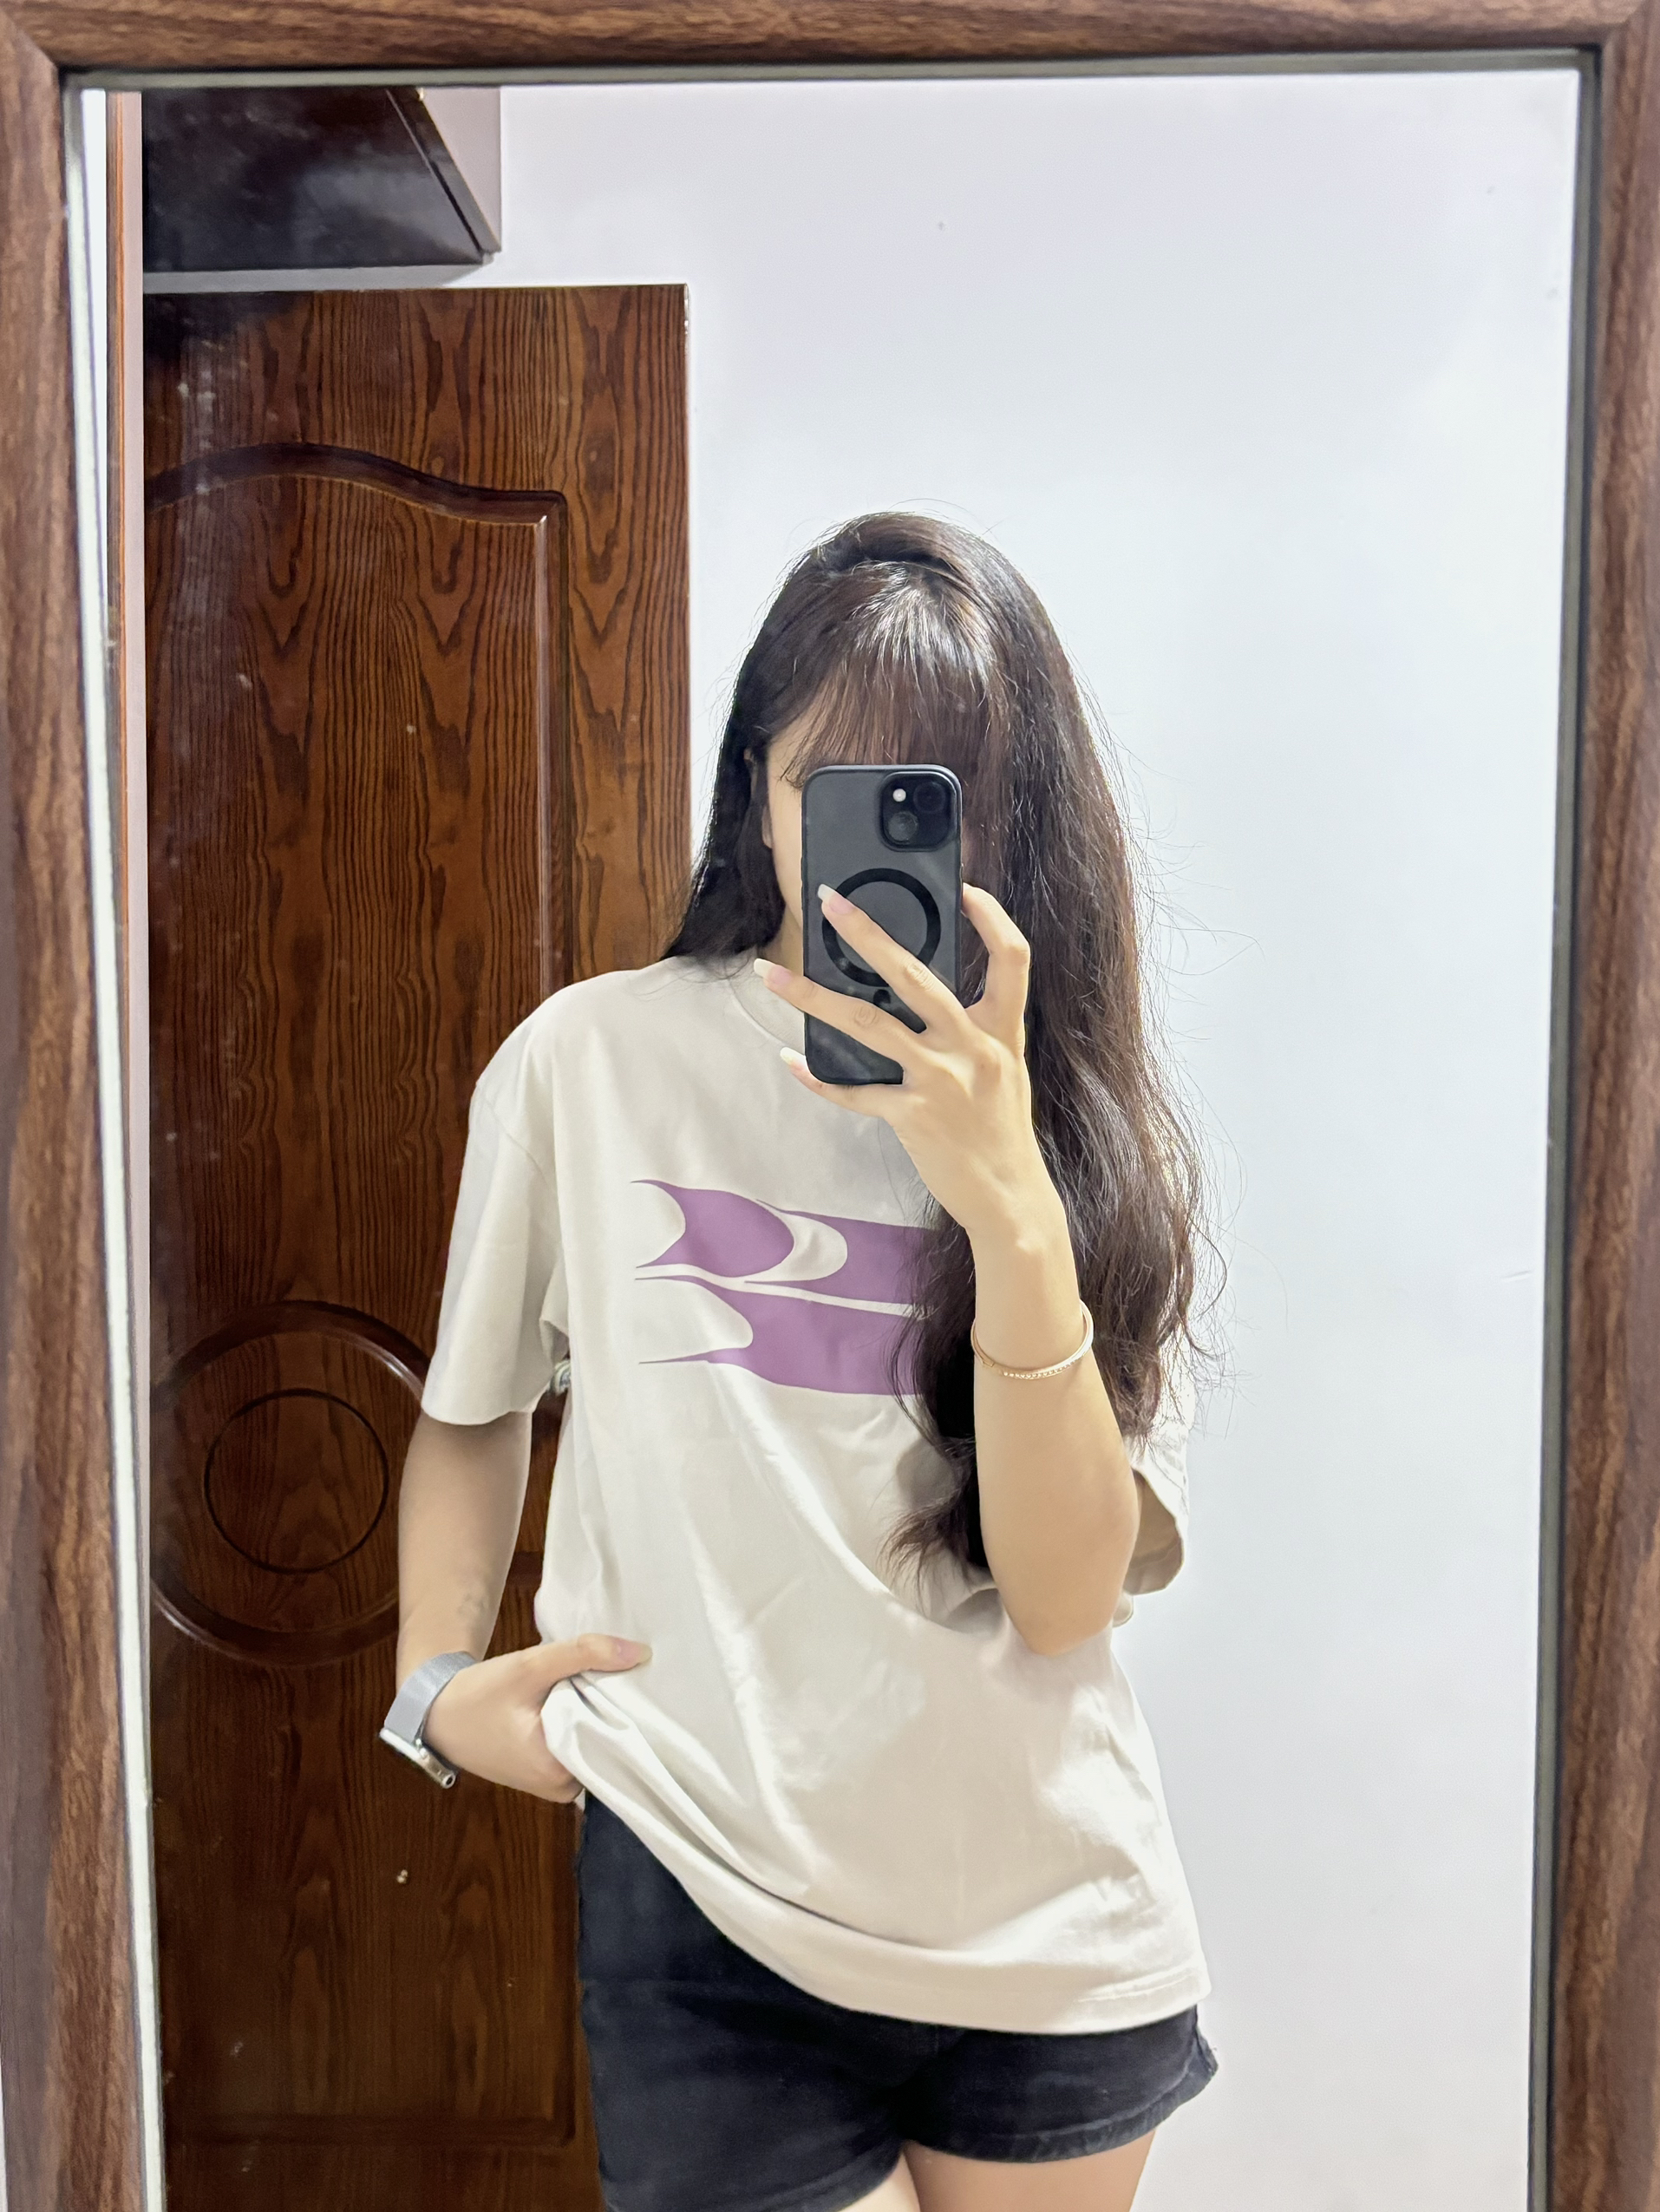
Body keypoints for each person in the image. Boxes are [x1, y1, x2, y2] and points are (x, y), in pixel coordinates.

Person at [390, 514, 1219, 2212]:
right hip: (706, 1901)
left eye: (929, 799)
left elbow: (1065, 1596)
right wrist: (431, 1684)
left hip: (1047, 1928)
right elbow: (474, 1409)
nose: (864, 848)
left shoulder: (1074, 1131)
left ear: (1012, 825)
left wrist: (1009, 1206)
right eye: (827, 785)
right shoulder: (590, 1064)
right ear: (755, 789)